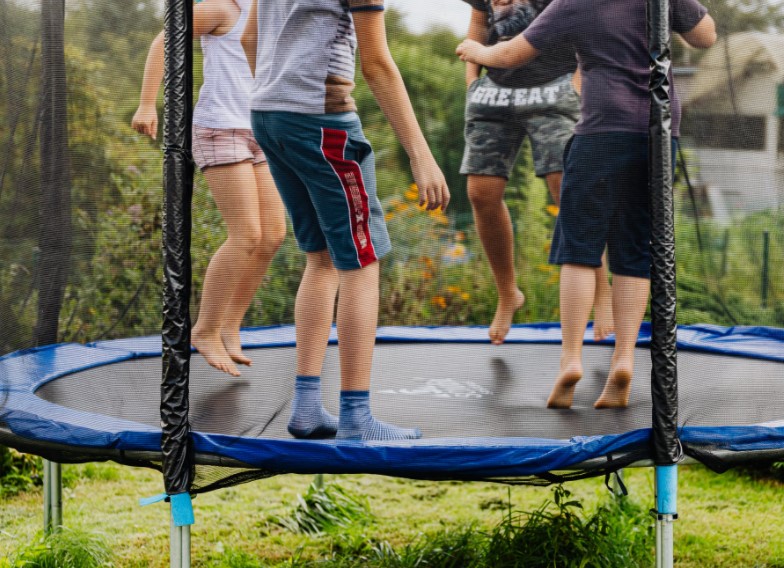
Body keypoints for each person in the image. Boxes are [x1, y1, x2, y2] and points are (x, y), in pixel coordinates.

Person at [456, 0, 716, 409]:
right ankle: (624, 359)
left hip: (601, 130)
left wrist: (477, 53)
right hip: (660, 133)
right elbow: (706, 36)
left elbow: (511, 53)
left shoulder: (575, 2)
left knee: (579, 249)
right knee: (634, 251)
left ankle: (571, 359)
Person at [242, 0, 450, 440]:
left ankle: (305, 407)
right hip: (322, 121)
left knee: (320, 257)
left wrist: (280, 90)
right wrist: (421, 154)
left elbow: (248, 39)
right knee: (362, 259)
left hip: (268, 114)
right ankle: (356, 416)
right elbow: (376, 64)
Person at [132, 0, 286, 378]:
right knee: (246, 234)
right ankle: (205, 329)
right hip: (220, 129)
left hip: (259, 130)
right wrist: (147, 105)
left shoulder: (270, 10)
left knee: (273, 235)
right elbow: (162, 42)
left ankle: (231, 324)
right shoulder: (220, 8)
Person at [460, 0, 615, 345]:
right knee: (480, 193)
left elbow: (584, 25)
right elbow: (477, 25)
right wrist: (471, 83)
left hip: (554, 86)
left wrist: (576, 84)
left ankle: (603, 292)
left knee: (568, 189)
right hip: (495, 91)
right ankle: (507, 294)